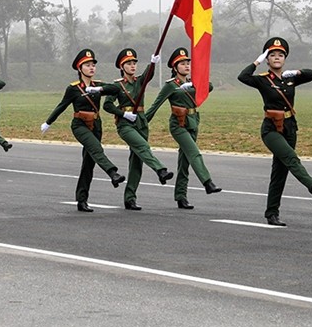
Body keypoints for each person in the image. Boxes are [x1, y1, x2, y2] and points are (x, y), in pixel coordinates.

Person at [237, 37, 312, 226]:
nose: (277, 58)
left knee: (280, 172)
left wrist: (296, 72)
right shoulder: (263, 80)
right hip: (271, 129)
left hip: (290, 127)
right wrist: (257, 60)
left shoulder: (290, 79)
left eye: (280, 55)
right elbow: (243, 76)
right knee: (291, 158)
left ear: (285, 58)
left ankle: (272, 213)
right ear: (268, 59)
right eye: (272, 55)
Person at [41, 49, 125, 212]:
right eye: (87, 65)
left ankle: (82, 200)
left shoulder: (98, 85)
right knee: (96, 149)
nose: (91, 68)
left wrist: (98, 90)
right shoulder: (73, 88)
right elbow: (62, 106)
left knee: (88, 163)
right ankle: (113, 173)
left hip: (96, 125)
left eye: (93, 65)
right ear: (80, 69)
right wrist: (48, 122)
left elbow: (116, 89)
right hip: (80, 125)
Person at [145, 47, 221, 209]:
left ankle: (181, 196)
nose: (186, 66)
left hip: (193, 122)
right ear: (175, 67)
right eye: (182, 63)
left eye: (188, 63)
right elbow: (155, 105)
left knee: (184, 162)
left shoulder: (193, 83)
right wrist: (142, 122)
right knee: (194, 153)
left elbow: (210, 86)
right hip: (178, 124)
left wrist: (197, 80)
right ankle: (207, 182)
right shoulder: (171, 85)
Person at [103, 48, 173, 210]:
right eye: (128, 63)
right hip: (125, 125)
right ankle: (160, 170)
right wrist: (123, 114)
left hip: (141, 123)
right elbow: (107, 105)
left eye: (134, 63)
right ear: (122, 67)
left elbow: (148, 76)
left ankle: (130, 198)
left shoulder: (139, 81)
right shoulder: (116, 85)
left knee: (136, 163)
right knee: (143, 147)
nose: (132, 65)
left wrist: (153, 63)